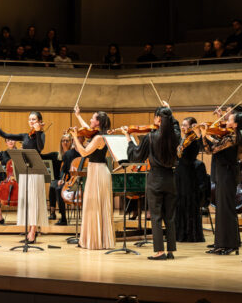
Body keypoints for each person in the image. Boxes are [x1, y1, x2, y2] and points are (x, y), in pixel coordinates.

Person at [127, 102, 180, 259]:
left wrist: (128, 139)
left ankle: (159, 251)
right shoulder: (176, 136)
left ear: (158, 119)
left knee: (156, 216)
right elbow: (174, 126)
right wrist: (170, 111)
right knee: (170, 216)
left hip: (155, 179)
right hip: (170, 178)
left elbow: (136, 156)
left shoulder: (150, 137)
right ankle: (170, 250)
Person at [0, 112, 47, 243]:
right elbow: (6, 135)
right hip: (25, 172)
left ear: (39, 121)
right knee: (27, 201)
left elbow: (40, 148)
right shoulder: (25, 136)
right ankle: (29, 231)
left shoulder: (41, 135)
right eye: (30, 119)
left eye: (34, 119)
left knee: (34, 201)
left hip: (35, 172)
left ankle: (33, 231)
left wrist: (39, 132)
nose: (31, 121)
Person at [200, 108, 242, 255]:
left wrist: (205, 134)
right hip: (222, 174)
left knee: (227, 210)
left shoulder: (234, 137)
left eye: (230, 120)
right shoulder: (228, 136)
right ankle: (221, 244)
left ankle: (231, 245)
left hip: (228, 174)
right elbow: (210, 149)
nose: (227, 121)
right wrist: (204, 135)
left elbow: (214, 149)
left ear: (236, 124)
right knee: (222, 210)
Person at [69, 107, 115, 250]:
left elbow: (83, 153)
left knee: (95, 207)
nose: (90, 120)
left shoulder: (99, 138)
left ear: (99, 122)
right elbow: (87, 128)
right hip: (95, 170)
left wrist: (75, 137)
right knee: (92, 207)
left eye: (93, 118)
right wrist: (78, 116)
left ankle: (96, 241)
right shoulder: (97, 134)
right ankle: (93, 239)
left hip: (99, 172)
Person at [174, 117, 205, 242]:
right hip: (180, 174)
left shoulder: (194, 141)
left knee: (188, 203)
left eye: (185, 125)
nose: (182, 127)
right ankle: (179, 234)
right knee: (179, 202)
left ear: (192, 126)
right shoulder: (183, 140)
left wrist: (180, 151)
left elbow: (188, 159)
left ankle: (189, 234)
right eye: (182, 125)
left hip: (188, 175)